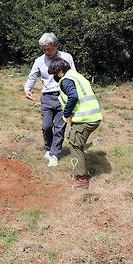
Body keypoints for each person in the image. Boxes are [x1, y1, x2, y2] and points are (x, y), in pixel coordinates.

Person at [47, 59, 102, 188]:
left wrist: (66, 113)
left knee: (75, 144)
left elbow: (73, 96)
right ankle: (80, 170)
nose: (54, 77)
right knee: (78, 143)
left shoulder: (66, 80)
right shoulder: (77, 76)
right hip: (93, 116)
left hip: (85, 119)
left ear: (60, 72)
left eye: (55, 74)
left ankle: (81, 179)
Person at [24, 33, 76, 167]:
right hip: (47, 97)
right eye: (44, 49)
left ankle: (54, 154)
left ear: (56, 46)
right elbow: (32, 76)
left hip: (63, 97)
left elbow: (74, 75)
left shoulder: (66, 57)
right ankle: (48, 148)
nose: (46, 52)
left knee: (59, 127)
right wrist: (27, 89)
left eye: (49, 49)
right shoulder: (39, 61)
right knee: (46, 126)